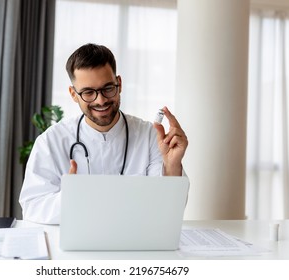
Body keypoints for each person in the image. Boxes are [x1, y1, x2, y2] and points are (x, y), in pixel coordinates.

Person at [19, 43, 188, 224]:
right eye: (88, 92)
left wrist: (172, 166)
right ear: (73, 94)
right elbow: (33, 206)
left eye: (108, 88)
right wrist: (71, 198)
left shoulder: (150, 136)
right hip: (76, 246)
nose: (101, 101)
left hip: (135, 244)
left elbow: (166, 209)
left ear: (119, 84)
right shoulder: (51, 141)